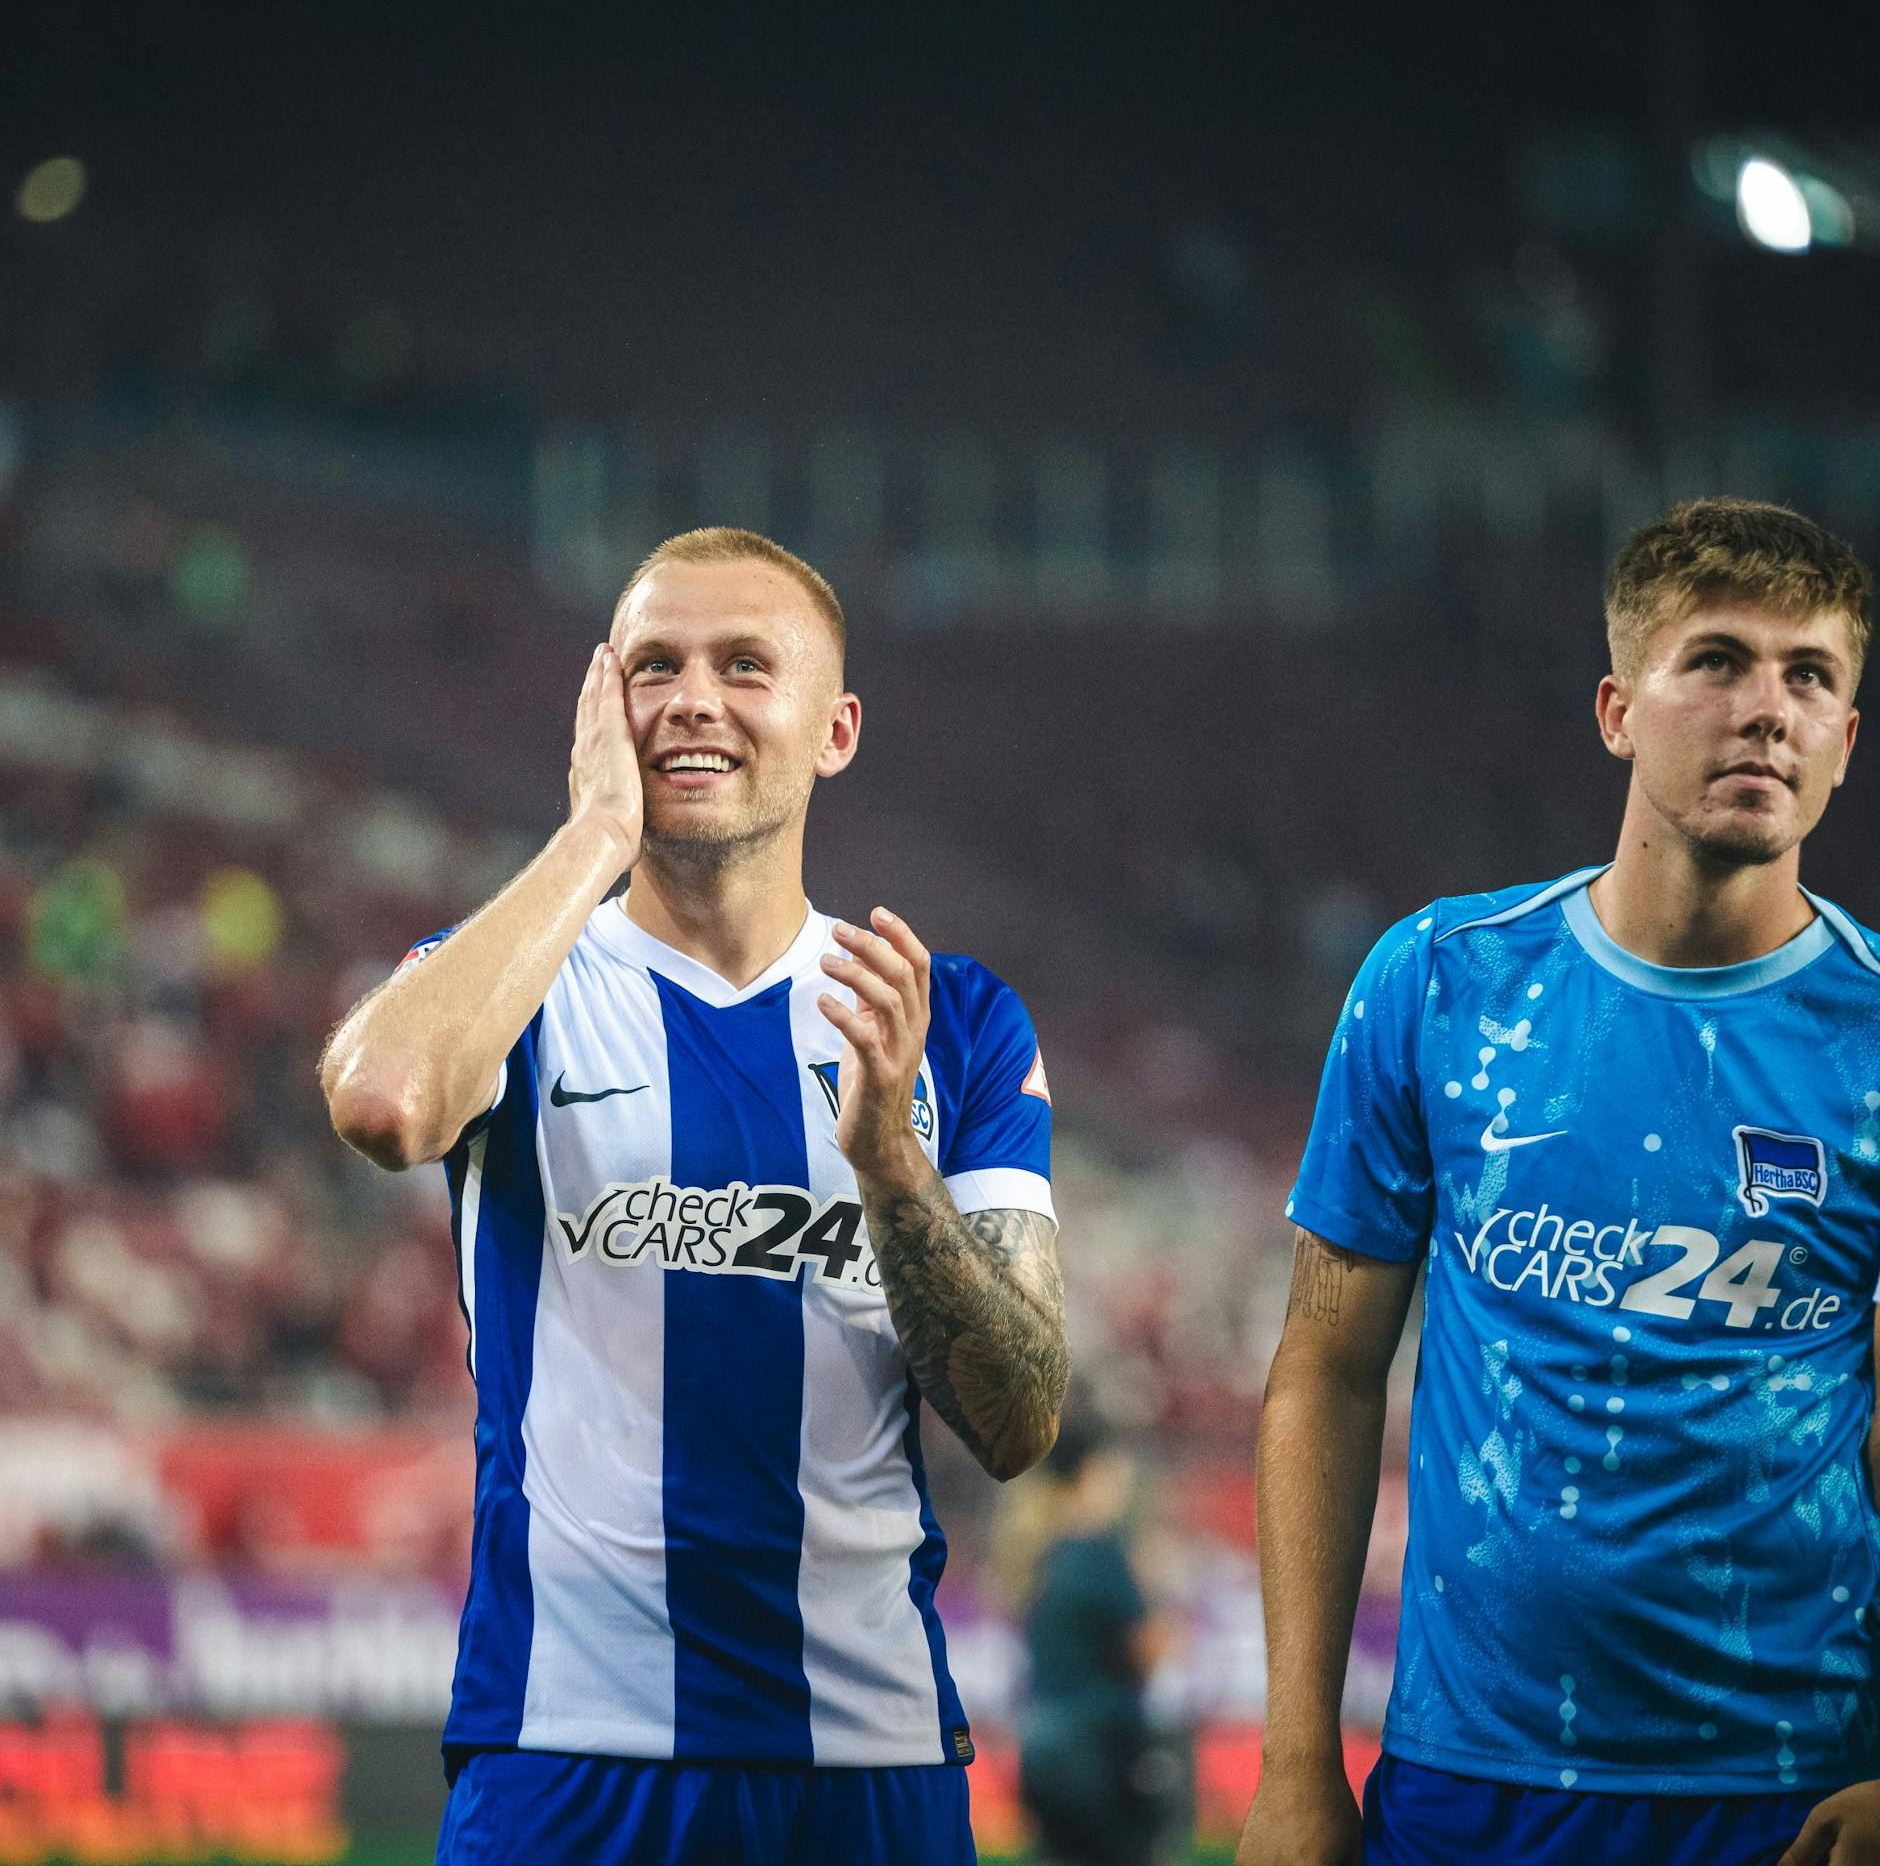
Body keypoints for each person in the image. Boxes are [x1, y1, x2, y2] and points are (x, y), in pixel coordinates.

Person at [320, 527, 1068, 1865]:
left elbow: (1018, 1418)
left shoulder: (949, 1020)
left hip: (867, 1763)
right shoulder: (515, 981)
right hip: (566, 1750)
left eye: (744, 665)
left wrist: (892, 1162)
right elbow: (382, 1100)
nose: (693, 700)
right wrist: (596, 831)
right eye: (653, 667)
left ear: (834, 731)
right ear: (606, 707)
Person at [1236, 499, 1880, 1866]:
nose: (1767, 708)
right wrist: (1297, 1766)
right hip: (1472, 1784)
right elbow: (1327, 1372)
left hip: (1792, 1791)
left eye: (1810, 676)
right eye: (1716, 660)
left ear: (1844, 741)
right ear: (1617, 710)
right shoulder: (1440, 982)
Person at [1016, 1412, 1185, 1866]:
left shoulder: (1038, 1550)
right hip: (1100, 1753)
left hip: (1041, 1749)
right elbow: (1147, 1650)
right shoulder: (1101, 1551)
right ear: (1093, 1473)